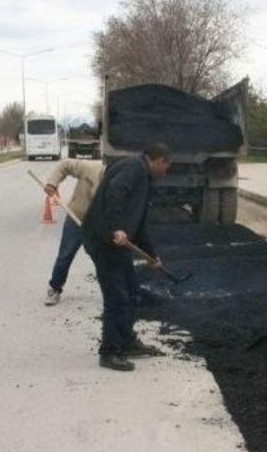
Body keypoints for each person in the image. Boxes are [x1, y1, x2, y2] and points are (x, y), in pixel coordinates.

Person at [82, 143, 171, 372]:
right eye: (166, 167)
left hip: (117, 243)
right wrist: (116, 227)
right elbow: (114, 192)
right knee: (117, 297)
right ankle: (109, 352)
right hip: (104, 240)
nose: (165, 172)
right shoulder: (133, 169)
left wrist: (151, 255)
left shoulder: (144, 177)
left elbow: (139, 224)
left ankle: (127, 341)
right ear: (160, 160)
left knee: (131, 292)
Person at [42, 159, 105, 306]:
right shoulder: (90, 168)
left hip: (96, 224)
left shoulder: (116, 184)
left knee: (102, 259)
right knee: (65, 255)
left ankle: (111, 292)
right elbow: (65, 165)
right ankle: (54, 289)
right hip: (75, 216)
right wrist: (52, 183)